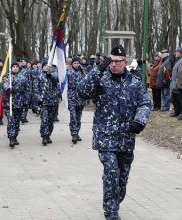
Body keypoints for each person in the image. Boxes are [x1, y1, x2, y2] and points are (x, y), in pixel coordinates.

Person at [77, 45, 151, 220]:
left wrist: (139, 121)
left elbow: (145, 104)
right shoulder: (101, 80)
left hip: (126, 138)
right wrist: (97, 70)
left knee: (122, 179)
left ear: (125, 62)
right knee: (112, 172)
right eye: (111, 61)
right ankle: (111, 213)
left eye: (118, 62)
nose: (114, 65)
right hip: (106, 137)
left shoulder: (134, 83)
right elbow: (82, 91)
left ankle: (114, 203)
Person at [2, 61, 30, 148]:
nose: (15, 68)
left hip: (19, 103)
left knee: (17, 122)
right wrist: (8, 88)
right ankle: (11, 138)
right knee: (11, 121)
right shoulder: (7, 76)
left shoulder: (23, 78)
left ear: (19, 68)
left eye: (16, 67)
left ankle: (15, 136)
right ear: (11, 68)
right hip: (9, 104)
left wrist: (26, 101)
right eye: (13, 67)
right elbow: (4, 83)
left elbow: (27, 90)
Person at [34, 61, 60, 145]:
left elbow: (58, 81)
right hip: (44, 101)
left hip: (53, 101)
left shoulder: (54, 75)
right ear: (42, 67)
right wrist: (39, 99)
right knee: (44, 119)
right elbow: (36, 89)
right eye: (45, 66)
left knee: (51, 120)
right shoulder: (39, 76)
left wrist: (51, 76)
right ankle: (44, 136)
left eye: (48, 66)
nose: (46, 67)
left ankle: (48, 134)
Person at [67, 57, 86, 144]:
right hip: (71, 97)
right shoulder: (68, 72)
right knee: (73, 117)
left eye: (78, 63)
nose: (77, 65)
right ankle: (74, 134)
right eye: (75, 63)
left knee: (78, 117)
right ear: (72, 64)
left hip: (80, 98)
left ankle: (77, 133)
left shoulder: (82, 72)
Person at [170, 48, 182, 117]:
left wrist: (177, 82)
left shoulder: (181, 61)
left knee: (179, 99)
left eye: (177, 52)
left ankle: (180, 112)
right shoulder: (177, 60)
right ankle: (176, 111)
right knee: (174, 99)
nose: (175, 53)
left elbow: (179, 73)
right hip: (174, 82)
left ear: (181, 53)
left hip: (177, 83)